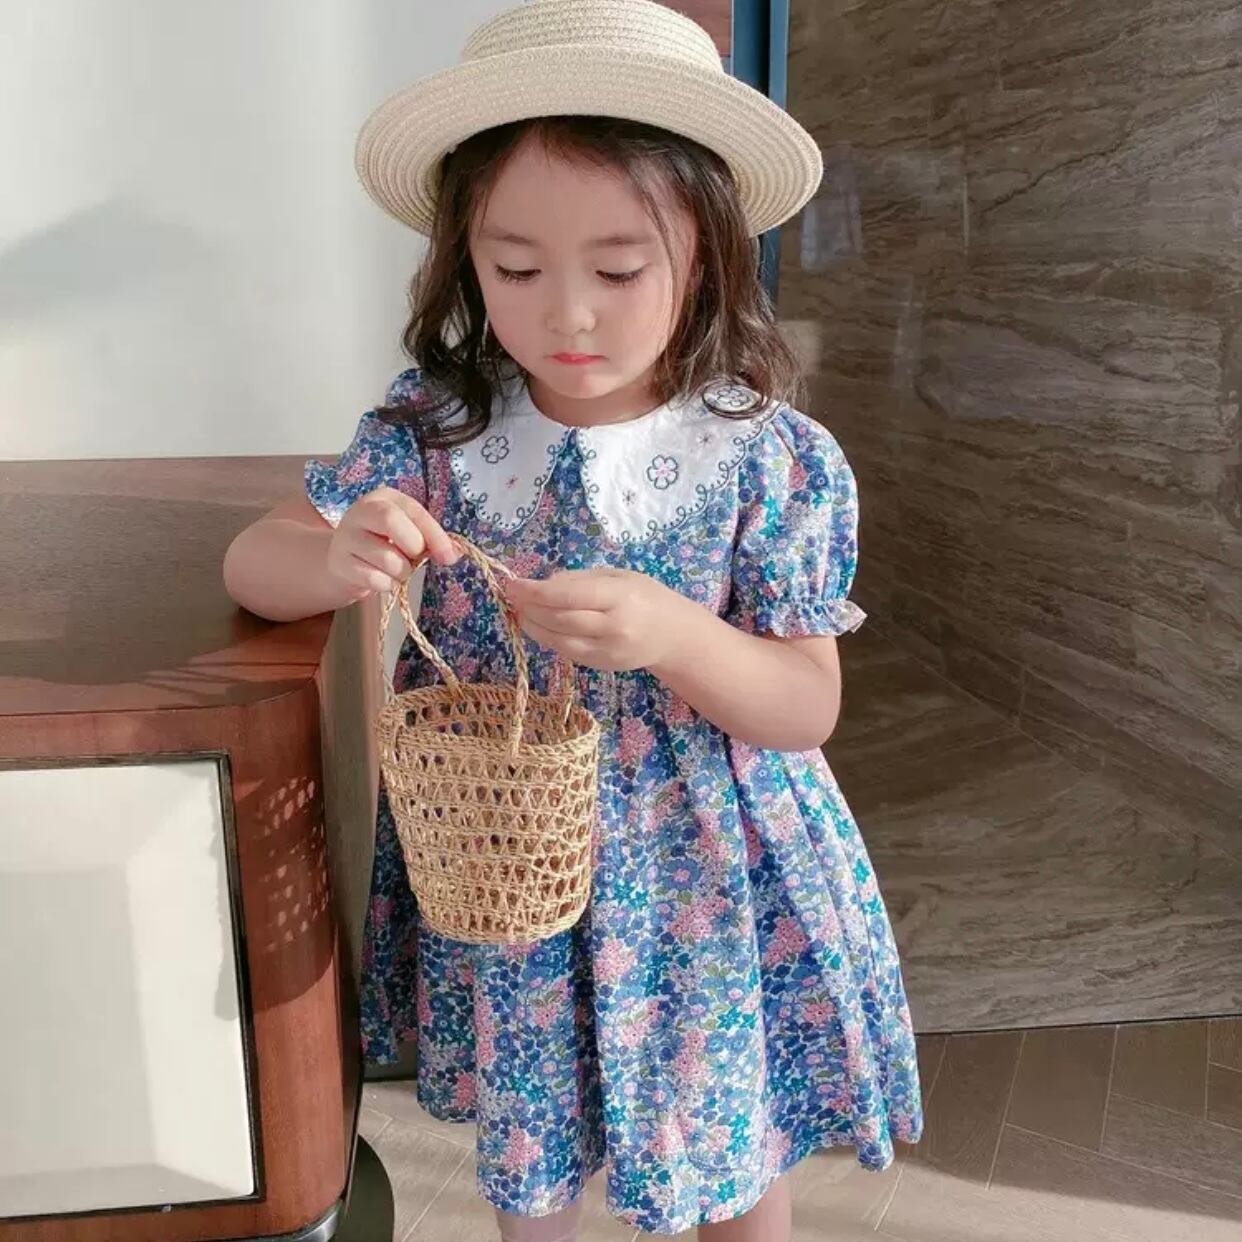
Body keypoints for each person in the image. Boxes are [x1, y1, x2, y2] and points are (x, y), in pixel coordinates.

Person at [223, 2, 923, 1238]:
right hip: (511, 864)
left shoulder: (767, 460)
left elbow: (805, 703)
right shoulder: (438, 428)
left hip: (708, 875)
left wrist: (678, 635)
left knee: (730, 1157)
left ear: (703, 254)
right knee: (534, 1155)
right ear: (466, 260)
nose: (569, 315)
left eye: (617, 269)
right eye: (516, 269)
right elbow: (252, 562)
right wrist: (335, 554)